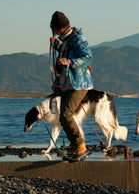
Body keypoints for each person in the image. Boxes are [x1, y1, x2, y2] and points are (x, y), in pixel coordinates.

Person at [49, 11, 93, 162]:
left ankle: (80, 146)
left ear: (59, 28)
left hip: (79, 84)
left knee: (66, 115)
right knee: (64, 117)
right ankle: (76, 146)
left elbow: (88, 58)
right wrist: (57, 46)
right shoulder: (66, 40)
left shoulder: (77, 38)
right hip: (68, 85)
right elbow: (68, 53)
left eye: (54, 29)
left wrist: (68, 63)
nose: (54, 32)